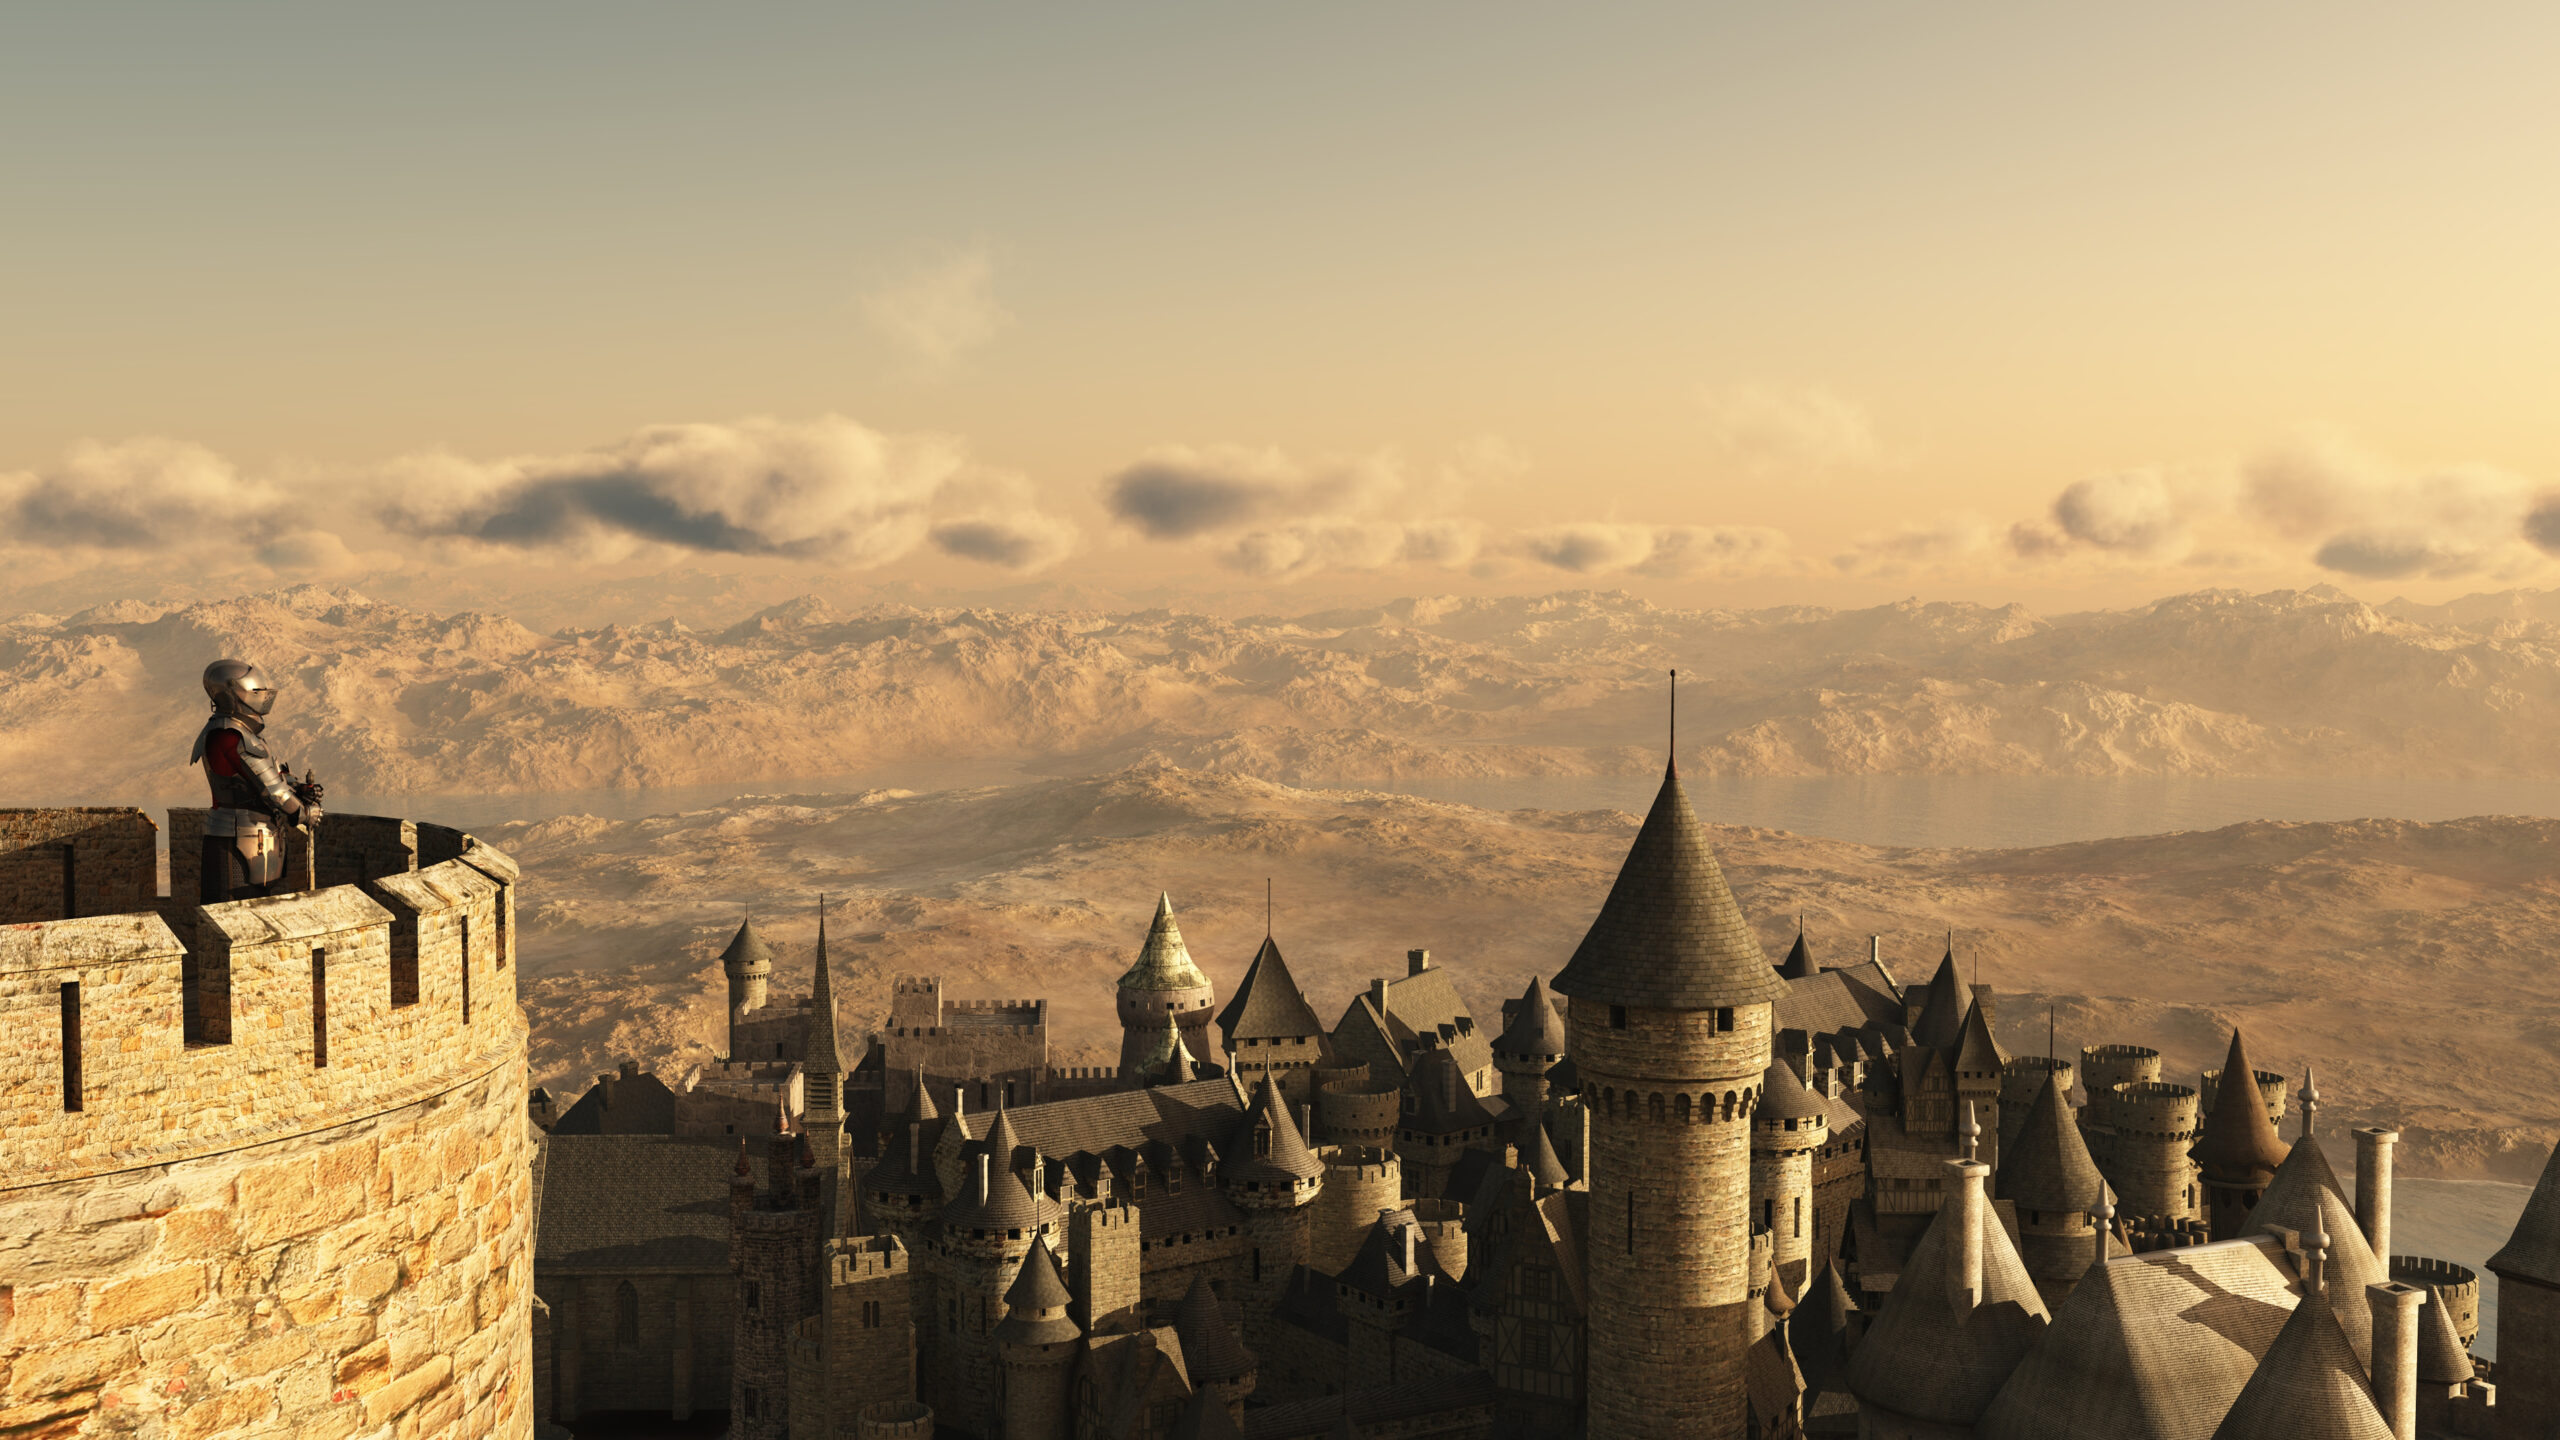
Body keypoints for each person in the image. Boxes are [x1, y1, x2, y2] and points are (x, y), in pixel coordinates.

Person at [191, 659, 323, 903]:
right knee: (234, 910)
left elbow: (273, 776)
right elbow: (273, 792)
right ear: (233, 694)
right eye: (256, 692)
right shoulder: (231, 735)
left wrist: (298, 787)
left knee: (252, 909)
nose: (263, 697)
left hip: (249, 836)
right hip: (240, 838)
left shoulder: (236, 731)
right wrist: (305, 813)